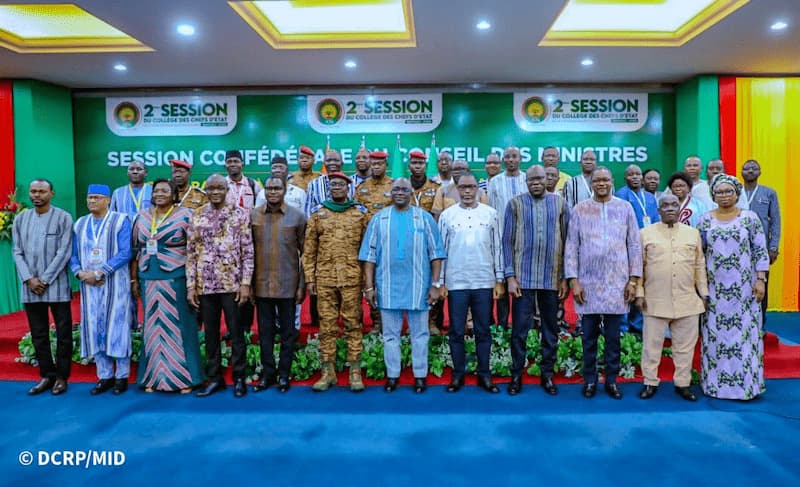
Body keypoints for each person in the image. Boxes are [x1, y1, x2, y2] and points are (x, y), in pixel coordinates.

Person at [360, 178, 446, 394]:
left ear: (411, 193)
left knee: (420, 334)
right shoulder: (379, 219)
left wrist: (436, 284)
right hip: (387, 286)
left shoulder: (424, 218)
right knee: (390, 335)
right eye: (396, 189)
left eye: (404, 189)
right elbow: (369, 256)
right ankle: (393, 376)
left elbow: (436, 254)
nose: (400, 192)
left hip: (419, 287)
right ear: (390, 192)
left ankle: (420, 376)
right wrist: (369, 288)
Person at [565, 167, 642, 400]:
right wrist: (574, 281)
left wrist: (633, 280)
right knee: (588, 337)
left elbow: (634, 244)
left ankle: (611, 380)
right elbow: (571, 246)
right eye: (597, 180)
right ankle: (590, 380)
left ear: (612, 181)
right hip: (587, 284)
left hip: (617, 283)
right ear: (591, 183)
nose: (601, 184)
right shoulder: (580, 209)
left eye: (605, 180)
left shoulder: (625, 208)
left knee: (613, 338)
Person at [697, 174, 769, 400]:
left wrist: (761, 279)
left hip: (745, 290)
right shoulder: (704, 220)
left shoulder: (750, 218)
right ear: (713, 195)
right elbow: (698, 255)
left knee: (744, 337)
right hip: (715, 291)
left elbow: (760, 250)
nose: (724, 195)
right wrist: (700, 288)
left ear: (737, 194)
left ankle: (747, 387)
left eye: (729, 191)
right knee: (715, 337)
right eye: (719, 192)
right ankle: (715, 386)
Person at [131, 179, 204, 393]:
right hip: (148, 277)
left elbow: (195, 250)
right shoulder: (142, 216)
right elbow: (135, 250)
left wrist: (194, 283)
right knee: (152, 327)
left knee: (180, 326)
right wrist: (134, 279)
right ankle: (153, 378)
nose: (160, 194)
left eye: (165, 190)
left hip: (176, 277)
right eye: (156, 191)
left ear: (174, 194)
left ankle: (185, 378)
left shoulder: (186, 215)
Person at [503, 166, 569, 396]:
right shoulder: (515, 204)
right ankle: (516, 375)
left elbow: (568, 241)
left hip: (552, 278)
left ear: (548, 179)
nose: (536, 182)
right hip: (523, 279)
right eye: (531, 179)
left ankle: (547, 375)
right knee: (519, 331)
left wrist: (564, 277)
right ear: (526, 181)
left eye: (540, 178)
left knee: (550, 329)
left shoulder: (560, 204)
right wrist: (510, 276)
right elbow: (507, 242)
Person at [187, 174, 253, 398]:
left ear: (227, 190)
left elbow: (248, 252)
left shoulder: (240, 214)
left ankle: (239, 377)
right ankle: (215, 379)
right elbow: (191, 253)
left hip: (232, 285)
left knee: (236, 333)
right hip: (205, 286)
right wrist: (191, 286)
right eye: (211, 188)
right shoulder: (197, 214)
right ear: (205, 190)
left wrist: (246, 284)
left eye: (219, 188)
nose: (215, 192)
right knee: (211, 334)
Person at [636, 194, 707, 402]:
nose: (669, 208)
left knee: (684, 347)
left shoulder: (692, 234)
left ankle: (683, 384)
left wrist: (704, 292)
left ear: (679, 209)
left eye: (674, 205)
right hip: (654, 300)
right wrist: (639, 293)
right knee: (651, 346)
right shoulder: (645, 233)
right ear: (658, 210)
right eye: (665, 205)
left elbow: (699, 265)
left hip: (687, 300)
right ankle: (650, 382)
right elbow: (638, 266)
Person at [303, 172, 368, 392]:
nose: (337, 187)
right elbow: (309, 249)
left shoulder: (359, 214)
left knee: (353, 324)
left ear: (348, 188)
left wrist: (366, 279)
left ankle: (355, 371)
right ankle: (327, 372)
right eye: (333, 185)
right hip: (325, 279)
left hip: (351, 279)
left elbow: (367, 249)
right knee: (327, 326)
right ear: (329, 188)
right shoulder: (318, 214)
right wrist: (309, 278)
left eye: (341, 184)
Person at [438, 173, 503, 394]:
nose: (467, 191)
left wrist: (499, 280)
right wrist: (441, 282)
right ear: (457, 189)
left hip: (484, 281)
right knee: (456, 331)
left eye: (471, 187)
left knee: (483, 330)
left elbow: (497, 248)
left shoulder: (490, 214)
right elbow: (441, 251)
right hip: (456, 282)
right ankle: (458, 375)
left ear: (478, 189)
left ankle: (485, 375)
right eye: (463, 187)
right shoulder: (447, 215)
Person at [70, 184, 133, 396]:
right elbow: (73, 255)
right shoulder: (80, 223)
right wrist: (80, 273)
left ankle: (122, 376)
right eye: (89, 197)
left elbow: (125, 252)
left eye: (97, 197)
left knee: (117, 327)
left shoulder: (120, 221)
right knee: (93, 328)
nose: (92, 201)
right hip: (88, 287)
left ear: (108, 200)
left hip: (114, 284)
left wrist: (99, 272)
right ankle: (104, 376)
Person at [12, 179, 74, 396]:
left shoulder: (64, 217)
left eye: (41, 191)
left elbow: (65, 252)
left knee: (63, 333)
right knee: (38, 334)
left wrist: (45, 279)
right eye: (33, 191)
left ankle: (62, 377)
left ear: (51, 194)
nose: (36, 195)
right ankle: (47, 375)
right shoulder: (21, 218)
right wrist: (29, 279)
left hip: (56, 285)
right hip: (30, 287)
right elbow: (17, 251)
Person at [251, 176, 306, 393]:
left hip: (288, 285)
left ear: (285, 190)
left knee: (287, 334)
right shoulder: (253, 215)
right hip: (261, 284)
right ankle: (268, 374)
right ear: (264, 191)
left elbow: (305, 254)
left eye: (277, 188)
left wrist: (302, 285)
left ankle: (284, 375)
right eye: (269, 188)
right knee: (265, 334)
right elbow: (247, 252)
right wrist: (248, 285)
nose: (273, 192)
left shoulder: (298, 216)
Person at [615, 164, 660, 334]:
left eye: (638, 174)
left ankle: (638, 328)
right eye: (631, 174)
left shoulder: (650, 197)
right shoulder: (620, 195)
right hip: (627, 249)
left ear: (642, 177)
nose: (635, 177)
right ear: (625, 178)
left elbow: (656, 222)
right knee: (627, 287)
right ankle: (623, 329)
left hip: (647, 247)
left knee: (643, 287)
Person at [737, 159, 781, 325]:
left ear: (760, 172)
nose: (750, 170)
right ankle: (740, 323)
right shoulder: (735, 192)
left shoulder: (769, 193)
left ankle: (760, 324)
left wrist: (773, 246)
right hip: (737, 246)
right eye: (746, 168)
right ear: (741, 172)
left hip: (761, 248)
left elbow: (775, 221)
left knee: (761, 284)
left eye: (754, 168)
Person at [489, 147, 528, 331]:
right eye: (507, 157)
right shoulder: (495, 181)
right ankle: (502, 328)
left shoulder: (527, 179)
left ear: (520, 159)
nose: (511, 160)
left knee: (523, 285)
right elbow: (491, 210)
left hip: (524, 240)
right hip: (501, 238)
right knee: (502, 283)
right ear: (503, 160)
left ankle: (522, 328)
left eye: (514, 156)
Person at [304, 149, 355, 216]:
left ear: (342, 163)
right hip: (322, 221)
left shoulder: (352, 182)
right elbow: (308, 210)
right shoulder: (314, 184)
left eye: (336, 160)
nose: (332, 163)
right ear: (324, 163)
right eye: (328, 160)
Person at [409, 149, 440, 213]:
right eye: (414, 163)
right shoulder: (403, 186)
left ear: (426, 166)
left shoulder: (435, 187)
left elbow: (437, 212)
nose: (417, 166)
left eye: (421, 163)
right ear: (409, 166)